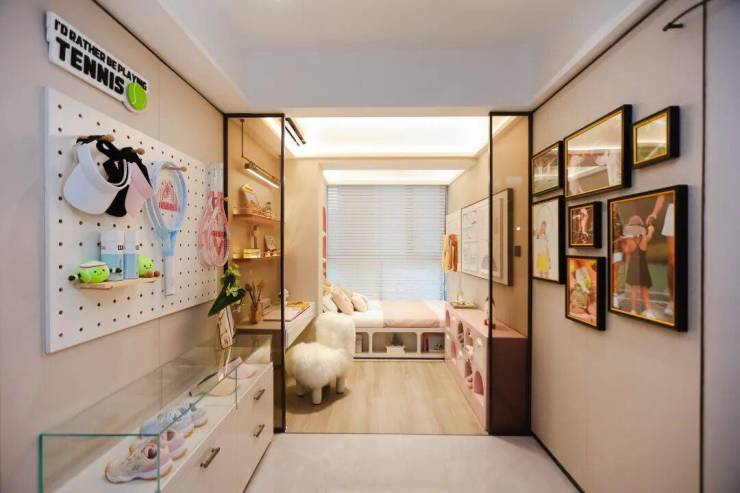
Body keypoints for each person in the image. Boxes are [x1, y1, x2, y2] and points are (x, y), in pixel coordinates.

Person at [646, 194, 675, 318]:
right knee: (672, 259)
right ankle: (672, 299)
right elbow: (662, 195)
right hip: (673, 210)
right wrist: (654, 213)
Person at [623, 215, 656, 319]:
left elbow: (627, 251)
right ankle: (649, 312)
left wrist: (624, 244)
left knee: (634, 290)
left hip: (633, 265)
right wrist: (651, 230)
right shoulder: (644, 237)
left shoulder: (629, 240)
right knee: (645, 291)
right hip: (643, 265)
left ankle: (633, 310)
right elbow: (649, 236)